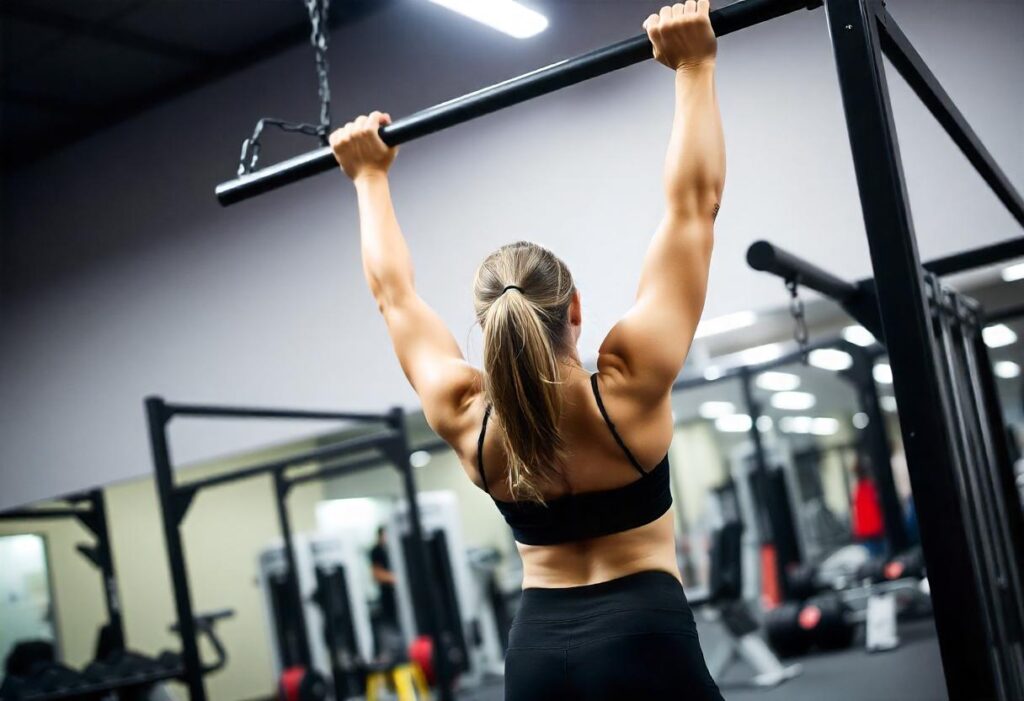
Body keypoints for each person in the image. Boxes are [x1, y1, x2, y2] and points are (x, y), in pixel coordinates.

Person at [330, 2, 724, 698]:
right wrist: (694, 66)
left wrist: (369, 178)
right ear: (574, 309)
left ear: (484, 326)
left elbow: (392, 294)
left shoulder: (468, 416)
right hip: (646, 638)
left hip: (538, 654)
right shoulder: (627, 385)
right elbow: (693, 206)